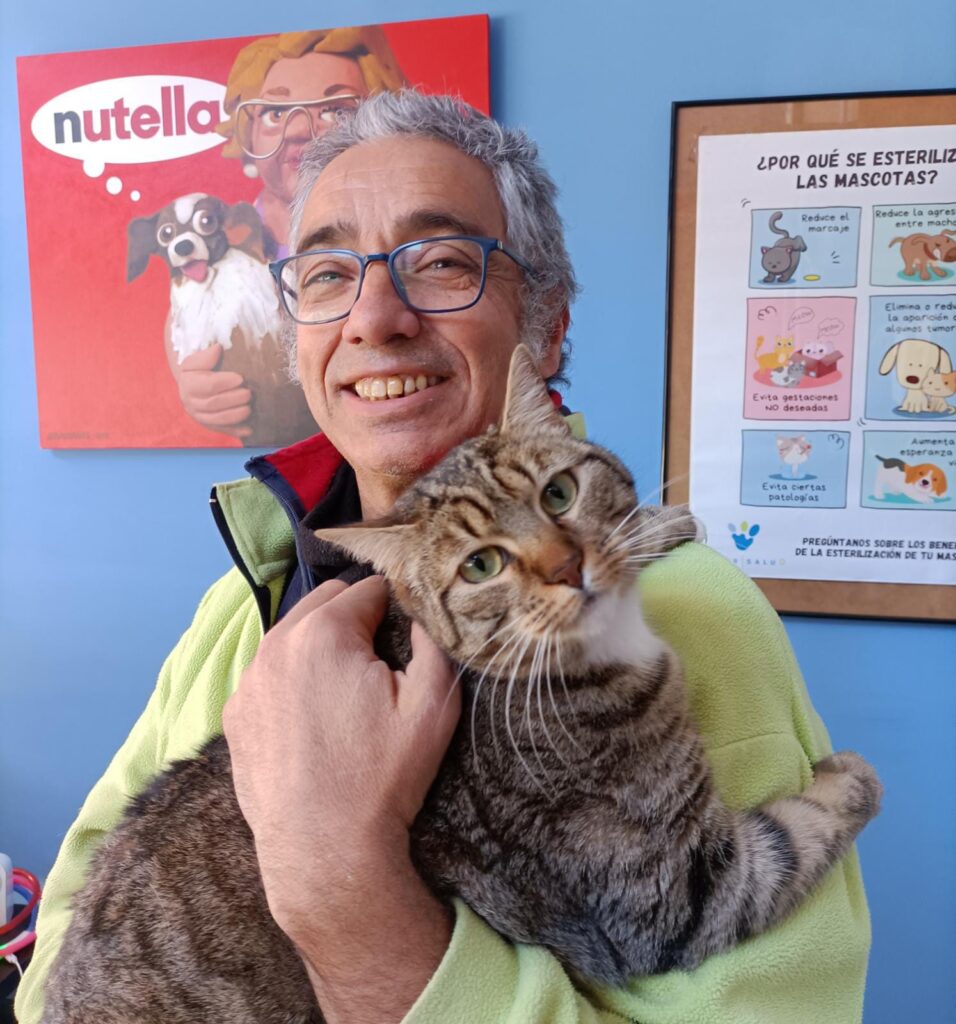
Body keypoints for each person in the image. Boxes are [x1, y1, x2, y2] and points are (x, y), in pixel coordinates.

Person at [18, 92, 872, 1024]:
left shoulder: (685, 614)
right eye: (328, 274)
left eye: (440, 263)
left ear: (545, 327)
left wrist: (345, 897)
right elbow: (63, 932)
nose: (374, 317)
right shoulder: (245, 592)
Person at [171, 27, 406, 443]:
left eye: (335, 110)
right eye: (276, 113)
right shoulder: (223, 237)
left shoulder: (408, 234)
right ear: (247, 132)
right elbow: (184, 315)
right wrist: (190, 383)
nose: (299, 131)